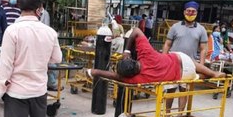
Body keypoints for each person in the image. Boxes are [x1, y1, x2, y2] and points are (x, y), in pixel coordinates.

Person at [87, 28, 224, 83]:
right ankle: (213, 73)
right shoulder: (147, 54)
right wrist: (127, 51)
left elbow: (115, 76)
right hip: (181, 60)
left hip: (182, 76)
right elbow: (136, 31)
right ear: (132, 60)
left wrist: (95, 72)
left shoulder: (139, 79)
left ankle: (210, 75)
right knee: (193, 64)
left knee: (195, 76)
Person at [162, 1, 208, 117]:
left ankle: (179, 116)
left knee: (184, 90)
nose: (190, 13)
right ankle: (167, 115)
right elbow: (167, 44)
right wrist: (163, 60)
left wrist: (201, 66)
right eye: (188, 11)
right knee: (170, 89)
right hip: (173, 63)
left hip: (189, 65)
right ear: (184, 12)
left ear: (197, 13)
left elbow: (204, 48)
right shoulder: (175, 27)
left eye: (193, 11)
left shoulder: (201, 29)